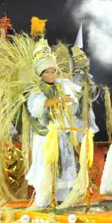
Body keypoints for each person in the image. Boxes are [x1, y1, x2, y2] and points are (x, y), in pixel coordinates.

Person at [25, 39, 80, 208]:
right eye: (48, 71)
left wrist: (68, 100)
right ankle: (43, 200)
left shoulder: (60, 87)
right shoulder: (35, 88)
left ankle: (63, 199)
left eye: (53, 71)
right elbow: (38, 107)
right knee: (46, 164)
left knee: (63, 165)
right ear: (41, 73)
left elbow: (73, 103)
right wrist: (59, 100)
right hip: (45, 135)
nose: (52, 74)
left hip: (60, 132)